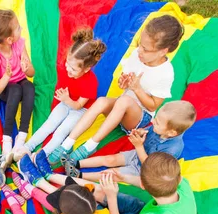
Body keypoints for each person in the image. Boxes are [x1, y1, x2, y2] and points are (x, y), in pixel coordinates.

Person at [48, 15, 184, 165]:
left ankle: (89, 146)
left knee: (124, 100)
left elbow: (153, 106)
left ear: (162, 52)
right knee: (101, 102)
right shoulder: (136, 55)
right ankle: (66, 144)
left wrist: (137, 89)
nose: (139, 51)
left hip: (139, 119)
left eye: (145, 49)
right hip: (121, 109)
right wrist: (123, 82)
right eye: (139, 44)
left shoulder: (165, 73)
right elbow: (124, 85)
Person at [64, 100, 196, 186]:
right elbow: (149, 130)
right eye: (156, 118)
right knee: (111, 159)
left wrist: (138, 146)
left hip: (144, 169)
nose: (153, 121)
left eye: (157, 122)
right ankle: (75, 163)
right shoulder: (160, 128)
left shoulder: (173, 149)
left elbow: (150, 166)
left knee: (113, 173)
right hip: (138, 153)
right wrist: (140, 131)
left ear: (171, 132)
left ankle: (79, 175)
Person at [18, 28, 106, 155]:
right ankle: (27, 147)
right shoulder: (66, 66)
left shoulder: (91, 82)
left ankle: (42, 155)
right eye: (68, 64)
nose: (68, 69)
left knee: (61, 131)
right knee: (49, 124)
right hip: (66, 101)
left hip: (80, 109)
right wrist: (64, 100)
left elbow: (79, 105)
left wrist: (66, 99)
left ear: (86, 69)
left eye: (73, 69)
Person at [0, 9, 35, 156]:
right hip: (6, 89)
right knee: (16, 90)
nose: (21, 29)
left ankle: (21, 136)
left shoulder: (19, 44)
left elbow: (32, 73)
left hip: (20, 81)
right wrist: (6, 76)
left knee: (29, 87)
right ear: (9, 39)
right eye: (18, 28)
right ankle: (7, 139)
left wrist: (26, 68)